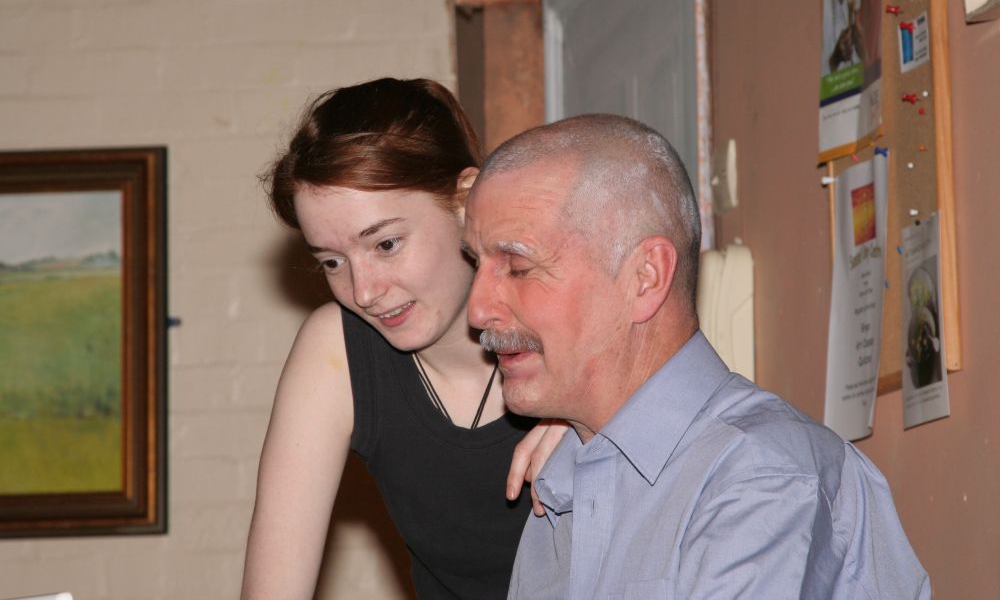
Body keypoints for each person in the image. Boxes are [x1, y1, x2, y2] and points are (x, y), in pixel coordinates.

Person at [461, 114, 930, 598]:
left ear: (645, 277)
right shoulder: (558, 488)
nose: (477, 310)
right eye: (477, 263)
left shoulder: (762, 480)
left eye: (518, 267)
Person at [241, 78, 567, 599]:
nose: (364, 291)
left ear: (466, 200)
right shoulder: (336, 350)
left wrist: (610, 415)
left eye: (386, 244)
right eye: (332, 261)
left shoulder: (576, 316)